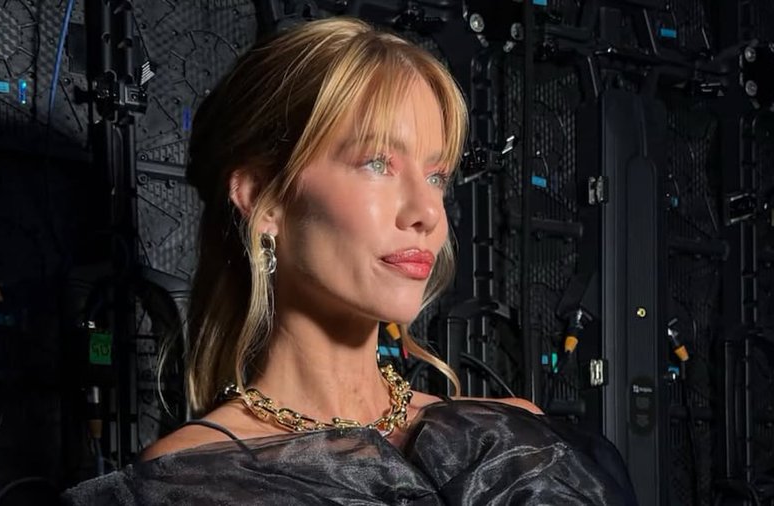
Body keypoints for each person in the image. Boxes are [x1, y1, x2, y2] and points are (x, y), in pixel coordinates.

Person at [62, 17, 636, 505]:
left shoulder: (511, 440)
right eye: (377, 164)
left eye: (437, 176)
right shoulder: (185, 482)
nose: (427, 213)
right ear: (264, 199)